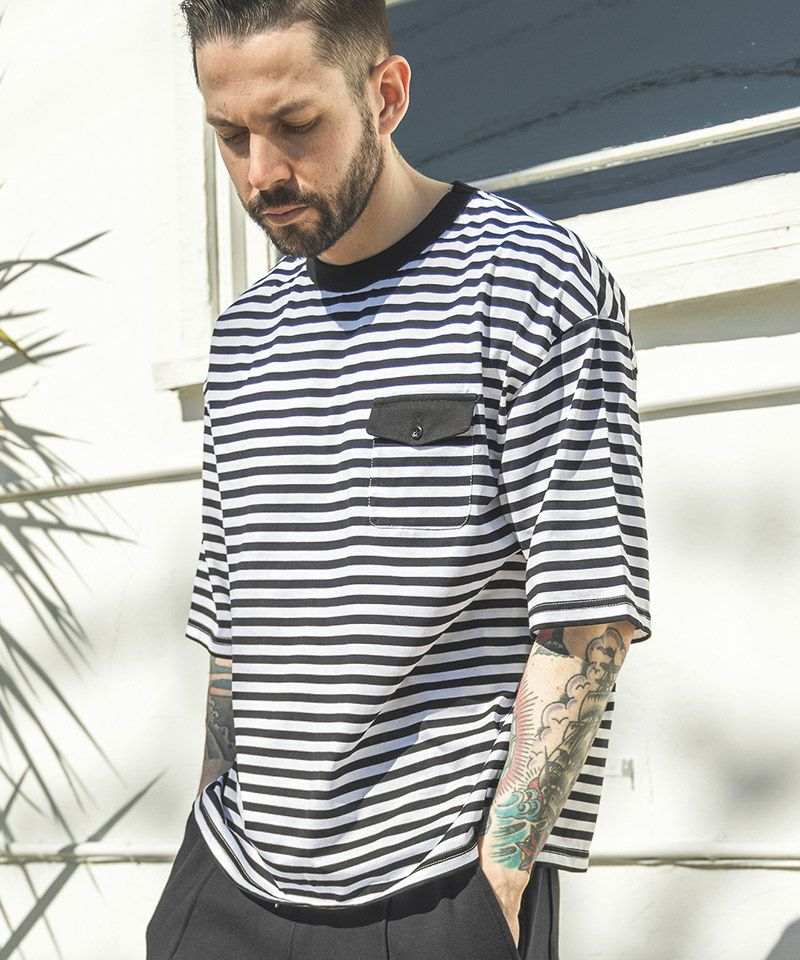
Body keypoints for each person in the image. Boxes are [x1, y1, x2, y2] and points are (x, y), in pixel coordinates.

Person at [145, 1, 652, 958]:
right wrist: (209, 806)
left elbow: (587, 616)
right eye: (231, 136)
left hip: (432, 889)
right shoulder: (244, 338)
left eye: (295, 125)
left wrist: (499, 883)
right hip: (230, 875)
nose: (261, 173)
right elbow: (232, 614)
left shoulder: (531, 282)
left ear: (385, 96)